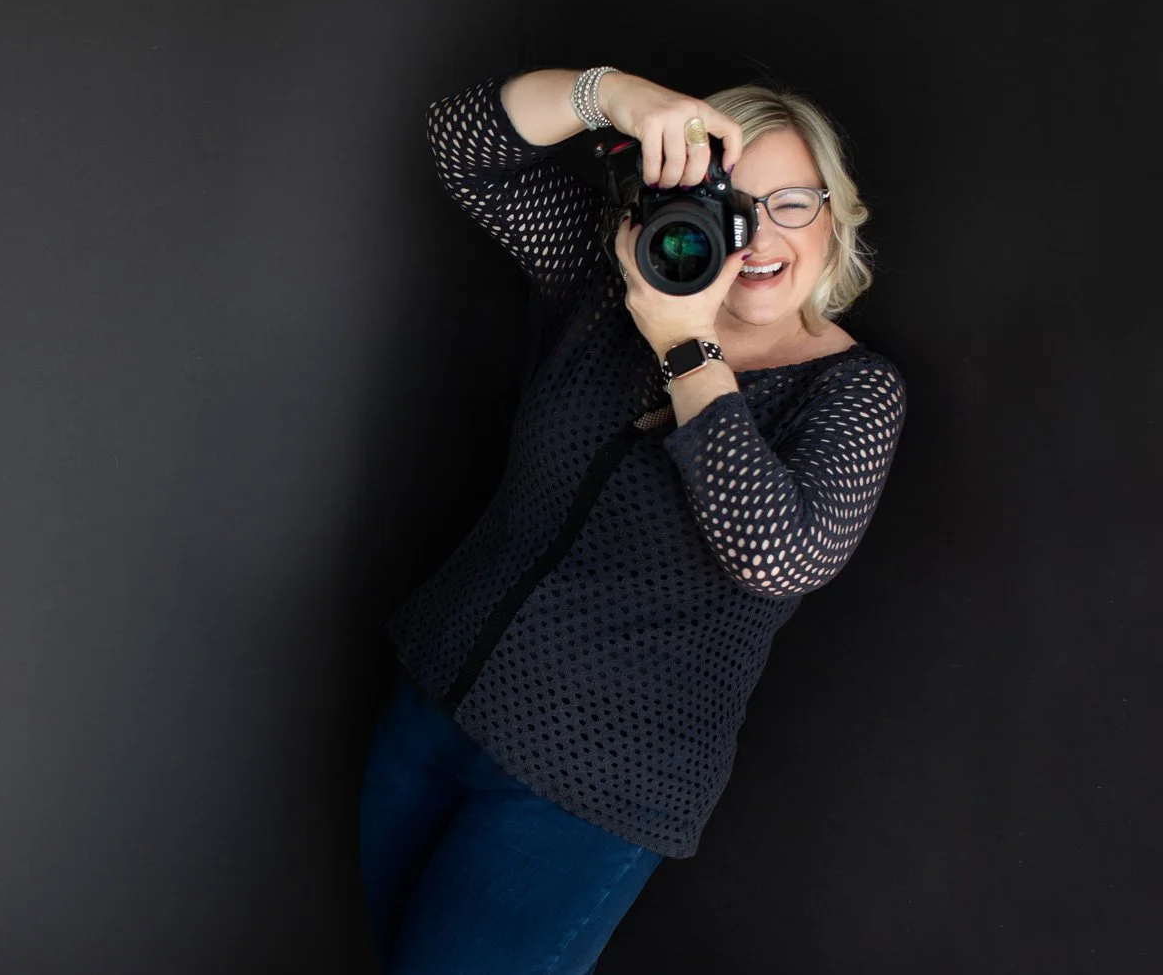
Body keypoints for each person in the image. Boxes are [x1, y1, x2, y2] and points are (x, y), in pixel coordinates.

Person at [356, 65, 909, 974]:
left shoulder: (852, 390)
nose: (757, 236)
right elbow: (463, 146)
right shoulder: (606, 280)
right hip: (432, 707)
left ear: (836, 217)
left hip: (585, 787)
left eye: (792, 203)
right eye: (729, 205)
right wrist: (608, 95)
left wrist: (686, 346)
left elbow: (779, 554)